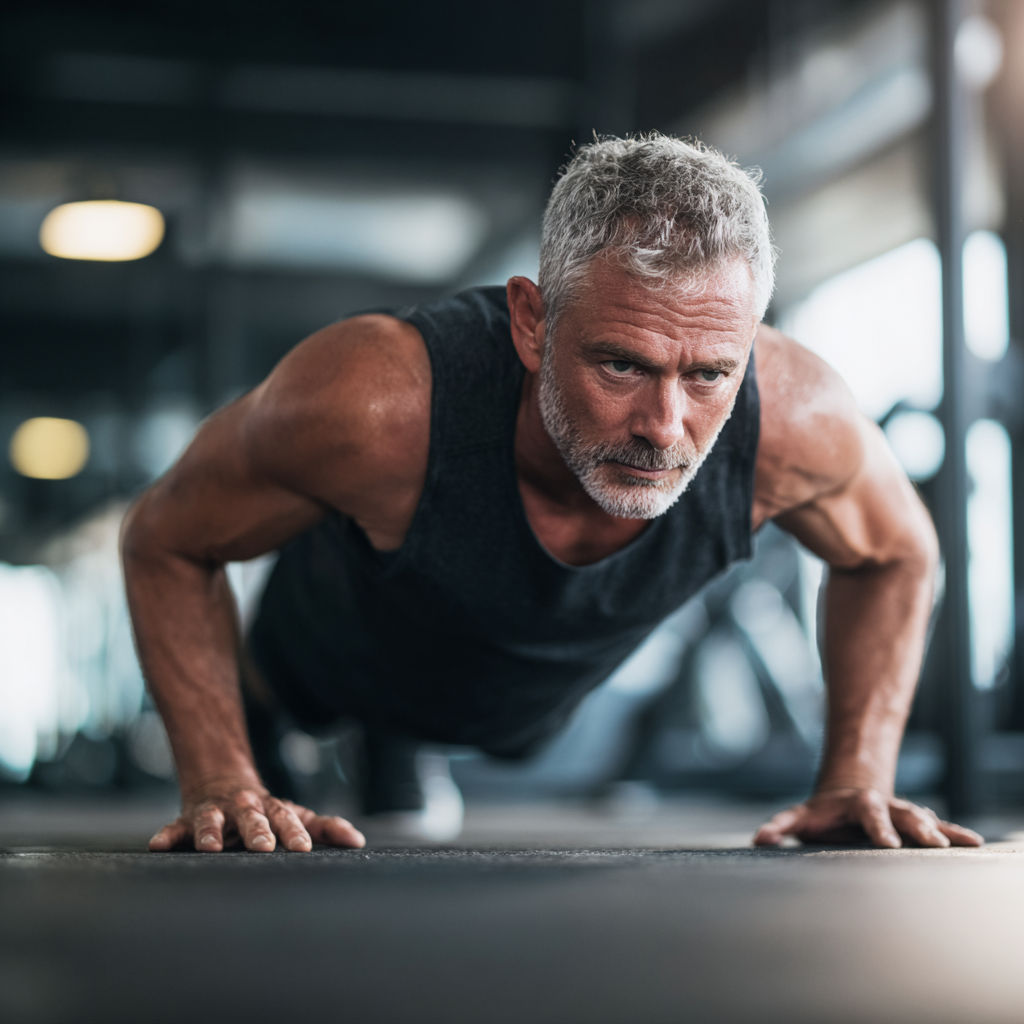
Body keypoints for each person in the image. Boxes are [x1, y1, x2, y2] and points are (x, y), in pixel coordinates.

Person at [122, 133, 982, 854]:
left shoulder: (800, 421)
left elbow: (898, 552)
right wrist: (222, 774)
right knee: (285, 692)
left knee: (502, 723)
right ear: (532, 321)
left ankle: (404, 741)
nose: (663, 423)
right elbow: (165, 536)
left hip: (515, 705)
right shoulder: (374, 405)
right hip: (327, 650)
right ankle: (301, 727)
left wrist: (856, 779)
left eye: (710, 373)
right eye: (621, 364)